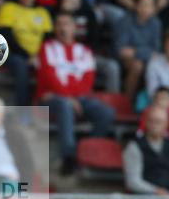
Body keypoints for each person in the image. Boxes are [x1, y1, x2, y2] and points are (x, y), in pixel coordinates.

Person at [37, 11, 113, 175]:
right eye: (59, 24)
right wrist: (69, 98)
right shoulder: (47, 48)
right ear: (54, 28)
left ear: (74, 28)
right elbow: (49, 77)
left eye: (66, 24)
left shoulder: (84, 51)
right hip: (52, 97)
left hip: (80, 98)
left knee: (106, 113)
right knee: (65, 105)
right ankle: (69, 156)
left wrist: (74, 98)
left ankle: (88, 151)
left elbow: (88, 80)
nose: (63, 28)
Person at [0, 0, 52, 107]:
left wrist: (39, 56)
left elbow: (48, 39)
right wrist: (28, 56)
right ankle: (22, 110)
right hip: (12, 54)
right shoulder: (8, 8)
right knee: (21, 64)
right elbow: (6, 38)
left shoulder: (42, 12)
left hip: (37, 56)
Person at [56, 0, 120, 93]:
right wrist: (65, 12)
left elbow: (94, 40)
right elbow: (52, 40)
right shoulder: (56, 12)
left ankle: (112, 100)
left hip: (85, 55)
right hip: (60, 56)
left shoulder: (89, 13)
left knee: (112, 67)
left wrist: (83, 56)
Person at [123, 106, 169, 199]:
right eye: (151, 121)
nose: (154, 125)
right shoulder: (134, 146)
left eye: (159, 122)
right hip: (147, 196)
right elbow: (133, 181)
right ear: (145, 122)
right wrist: (156, 191)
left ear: (167, 124)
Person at [114, 0, 162, 98]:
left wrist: (136, 51)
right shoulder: (124, 22)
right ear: (136, 6)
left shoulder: (156, 23)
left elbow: (157, 50)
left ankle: (153, 101)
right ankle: (127, 100)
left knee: (159, 63)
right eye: (143, 5)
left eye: (150, 5)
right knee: (137, 65)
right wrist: (147, 52)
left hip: (147, 59)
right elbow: (121, 51)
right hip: (125, 61)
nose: (146, 9)